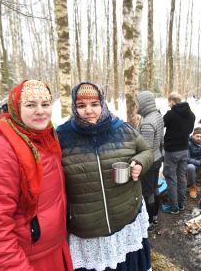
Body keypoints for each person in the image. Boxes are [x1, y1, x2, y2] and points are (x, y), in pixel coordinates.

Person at [0, 80, 73, 271]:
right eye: (30, 105)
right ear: (16, 107)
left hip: (53, 251)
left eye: (45, 104)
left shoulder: (46, 138)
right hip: (24, 260)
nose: (40, 111)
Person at [56, 82, 153, 271]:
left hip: (125, 218)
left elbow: (147, 151)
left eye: (94, 104)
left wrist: (140, 163)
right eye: (81, 106)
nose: (89, 111)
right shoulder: (62, 136)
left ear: (103, 103)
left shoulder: (122, 128)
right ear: (74, 108)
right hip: (87, 229)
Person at [162, 92, 195, 214]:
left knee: (171, 178)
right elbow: (190, 130)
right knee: (181, 177)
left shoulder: (171, 114)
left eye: (169, 102)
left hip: (172, 152)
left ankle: (173, 207)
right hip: (184, 150)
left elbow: (161, 124)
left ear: (172, 101)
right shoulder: (191, 115)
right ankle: (181, 204)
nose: (168, 104)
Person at [136, 90, 164, 231]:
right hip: (158, 158)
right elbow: (161, 141)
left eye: (138, 103)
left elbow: (146, 150)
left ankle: (150, 221)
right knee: (155, 187)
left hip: (150, 162)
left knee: (148, 192)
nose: (137, 106)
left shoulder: (148, 122)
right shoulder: (157, 116)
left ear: (144, 104)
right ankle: (155, 216)